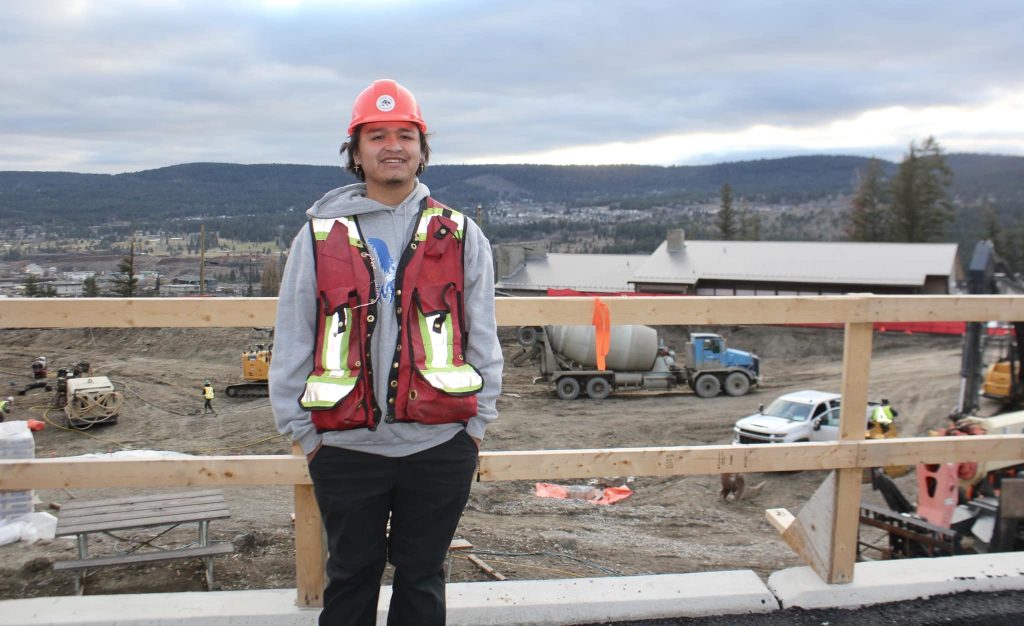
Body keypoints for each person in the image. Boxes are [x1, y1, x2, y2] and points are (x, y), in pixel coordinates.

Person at [270, 78, 502, 626]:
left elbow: (484, 337)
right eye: (377, 135)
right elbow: (294, 336)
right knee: (350, 578)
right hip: (345, 448)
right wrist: (305, 434)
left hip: (441, 443)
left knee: (422, 580)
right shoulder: (318, 237)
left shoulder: (462, 234)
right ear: (356, 151)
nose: (392, 145)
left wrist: (476, 428)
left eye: (405, 134)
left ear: (423, 151)